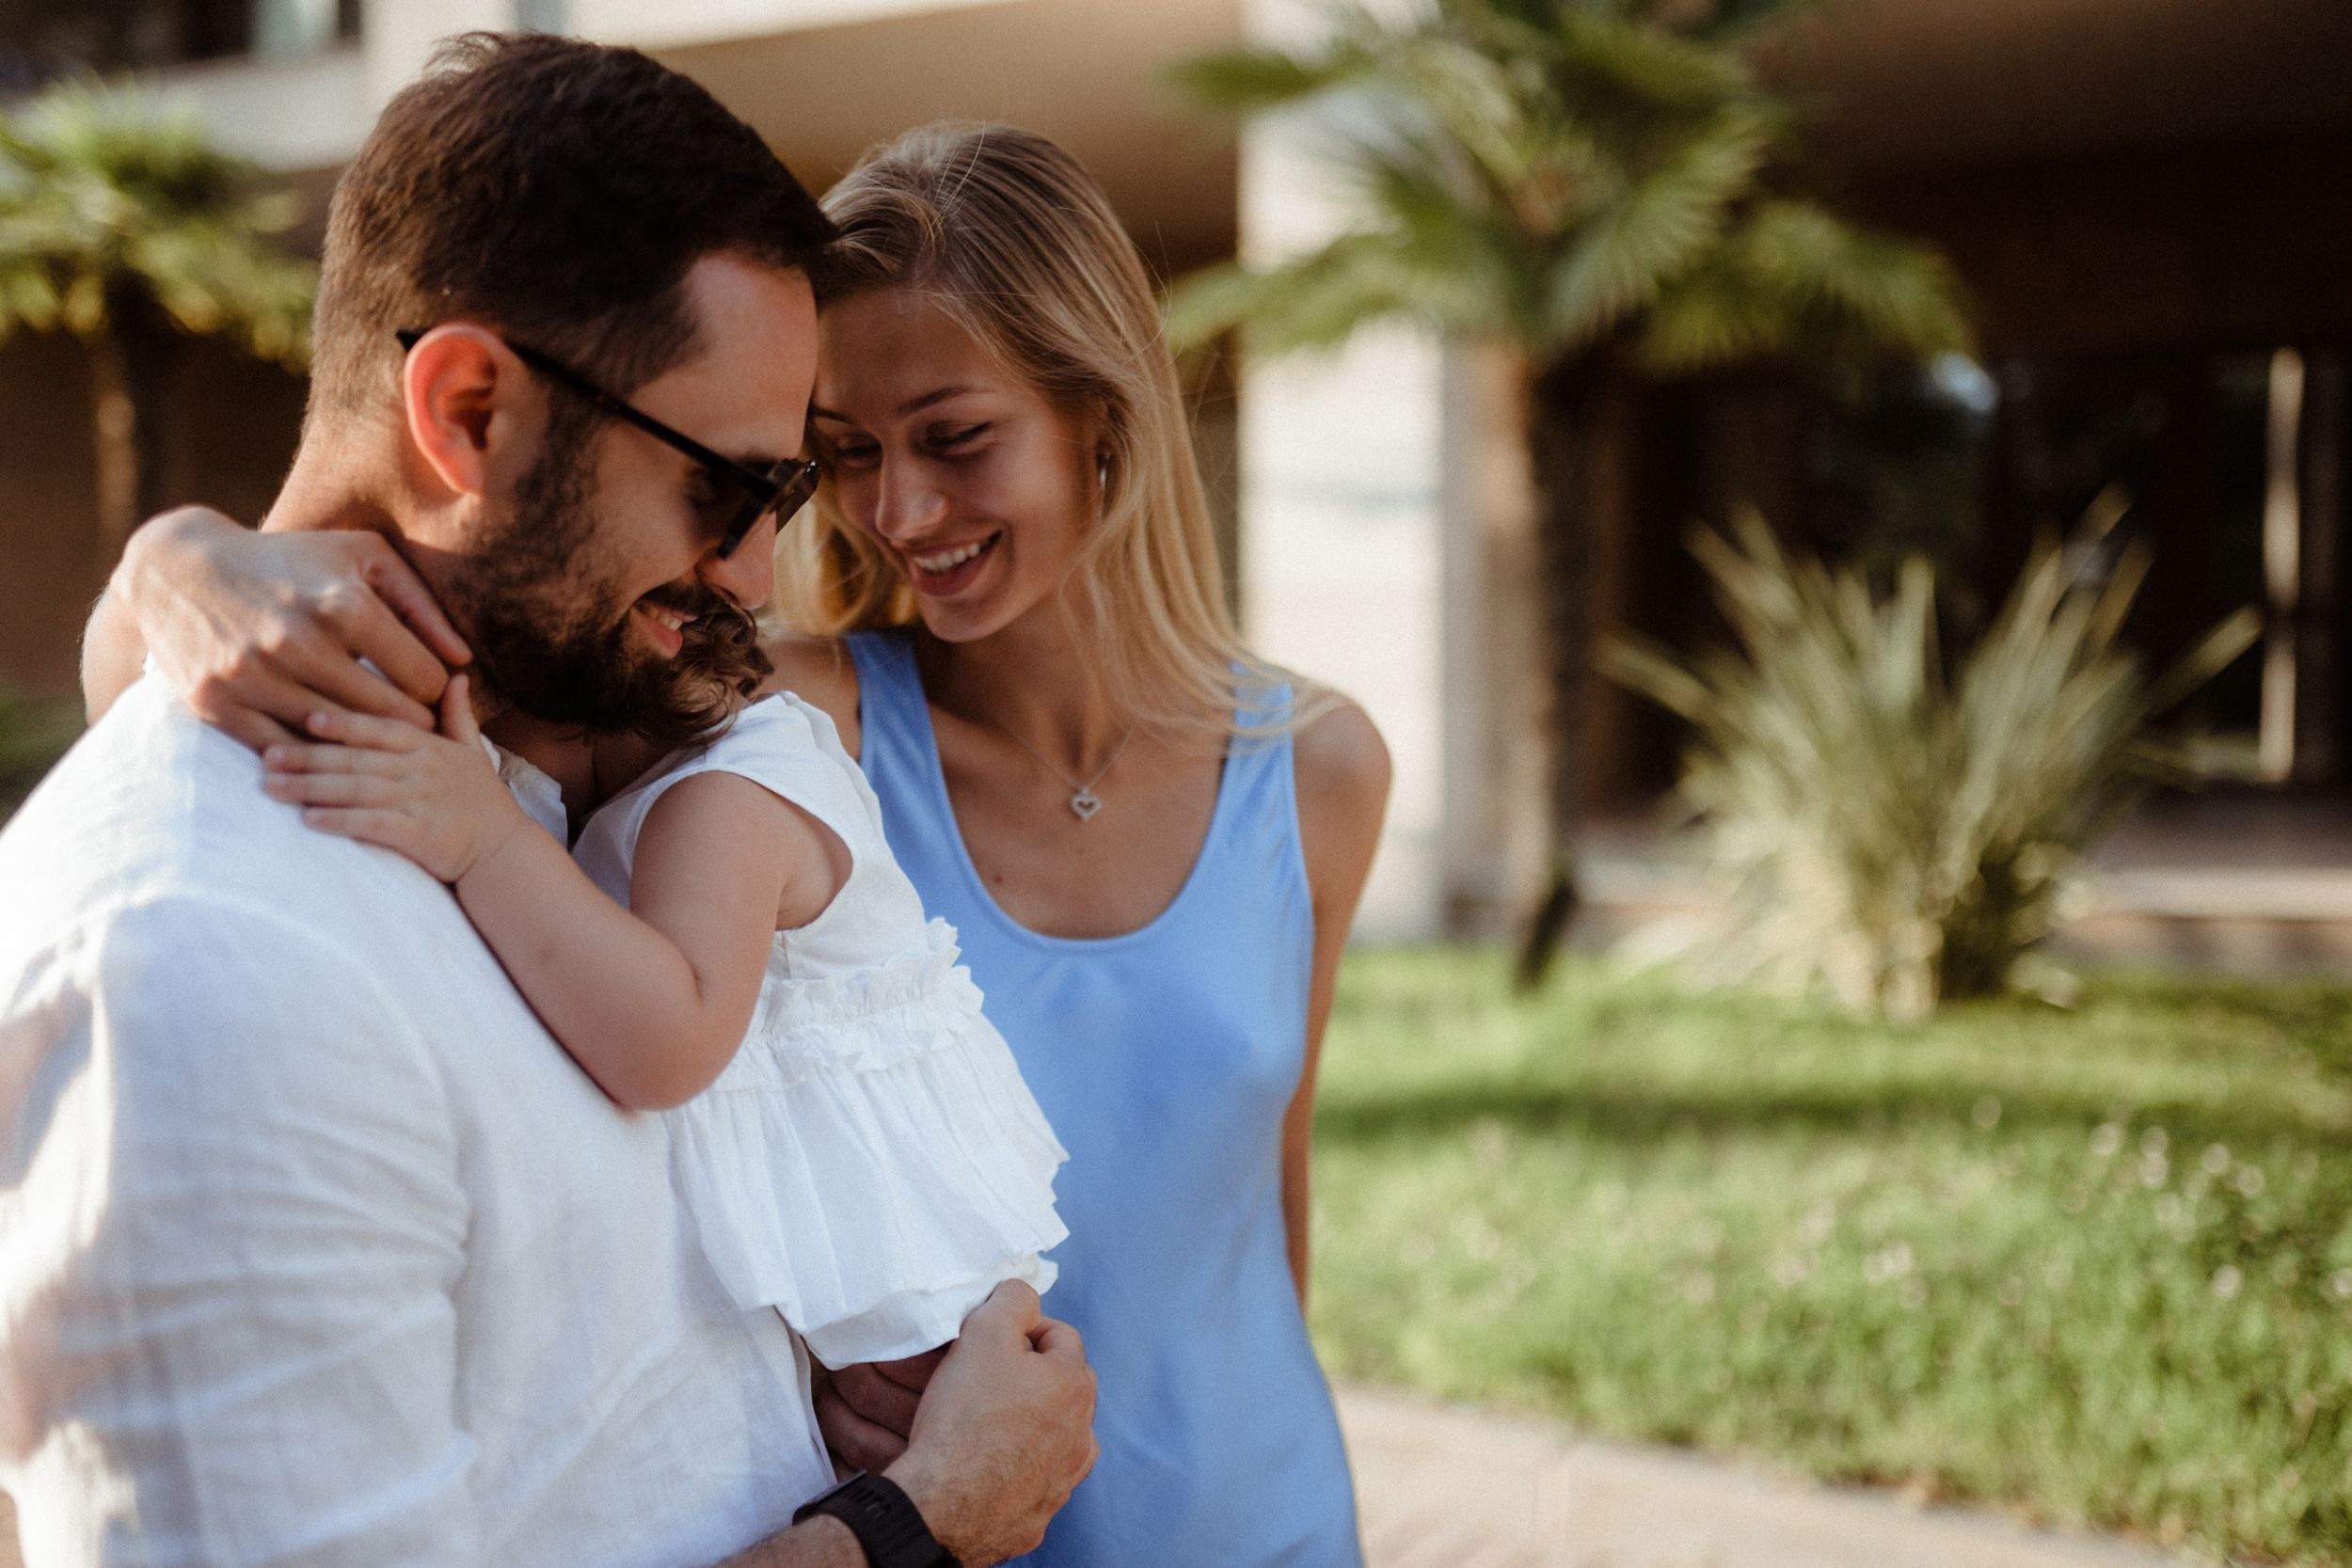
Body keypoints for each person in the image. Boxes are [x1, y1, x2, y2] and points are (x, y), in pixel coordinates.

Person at [84, 123, 1388, 1567]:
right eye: (841, 460)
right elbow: (372, 645)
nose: (900, 514)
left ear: (1103, 415)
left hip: (1270, 1521)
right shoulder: (776, 720)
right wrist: (171, 564)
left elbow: (1263, 1200)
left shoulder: (1319, 769)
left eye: (957, 440)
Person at [7, 37, 1093, 1568]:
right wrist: (919, 1522)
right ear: (467, 413)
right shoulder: (204, 959)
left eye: (784, 502)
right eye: (728, 492)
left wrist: (173, 560)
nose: (754, 577)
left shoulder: (516, 737)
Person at [255, 641, 1069, 1369]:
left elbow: (666, 1044)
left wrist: (488, 834)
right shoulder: (684, 782)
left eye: (504, 752)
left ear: (586, 711)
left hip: (907, 1302)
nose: (505, 777)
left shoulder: (721, 802)